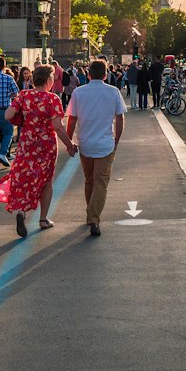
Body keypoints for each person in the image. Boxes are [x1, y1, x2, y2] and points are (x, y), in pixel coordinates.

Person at [0, 64, 77, 235]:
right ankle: (43, 219)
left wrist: (24, 118)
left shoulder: (23, 95)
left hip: (27, 142)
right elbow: (57, 126)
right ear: (49, 80)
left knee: (24, 176)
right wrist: (70, 145)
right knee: (46, 180)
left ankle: (21, 211)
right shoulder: (52, 99)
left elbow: (7, 115)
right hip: (46, 144)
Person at [66, 57, 125, 237]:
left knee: (89, 180)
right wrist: (116, 140)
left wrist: (69, 143)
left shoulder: (78, 93)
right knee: (101, 183)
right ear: (106, 75)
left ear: (88, 74)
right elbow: (120, 118)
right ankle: (93, 218)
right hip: (105, 143)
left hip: (85, 143)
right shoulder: (113, 92)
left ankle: (90, 212)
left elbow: (72, 119)